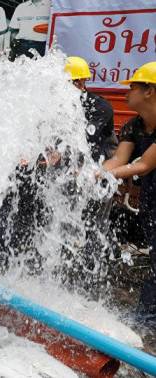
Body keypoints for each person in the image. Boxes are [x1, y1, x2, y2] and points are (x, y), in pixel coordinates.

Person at [102, 62, 156, 324]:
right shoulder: (134, 125)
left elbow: (144, 164)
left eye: (132, 86)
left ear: (150, 91)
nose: (126, 91)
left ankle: (146, 319)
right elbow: (119, 159)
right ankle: (145, 317)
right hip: (151, 197)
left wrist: (107, 175)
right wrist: (96, 172)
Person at [65, 56, 117, 163]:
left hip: (102, 157)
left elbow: (87, 138)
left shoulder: (99, 106)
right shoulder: (58, 105)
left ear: (80, 82)